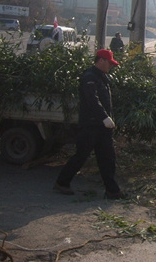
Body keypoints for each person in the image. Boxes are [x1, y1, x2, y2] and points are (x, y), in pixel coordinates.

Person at [54, 49, 126, 200]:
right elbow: (92, 100)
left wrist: (108, 119)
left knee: (108, 158)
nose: (110, 67)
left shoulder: (101, 77)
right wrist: (104, 117)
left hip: (102, 127)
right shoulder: (89, 77)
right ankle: (62, 182)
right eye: (109, 63)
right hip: (91, 126)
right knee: (81, 155)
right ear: (101, 61)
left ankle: (112, 190)